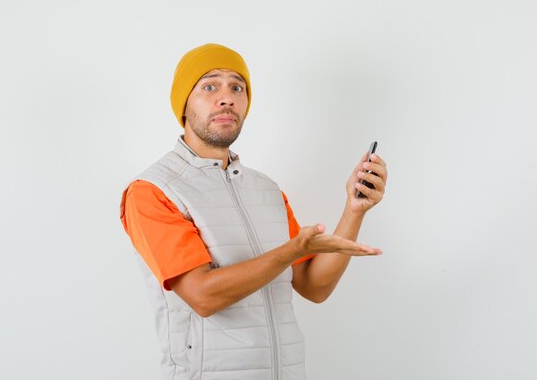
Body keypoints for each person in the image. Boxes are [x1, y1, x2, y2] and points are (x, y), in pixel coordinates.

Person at [119, 43, 388, 380]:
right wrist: (292, 249)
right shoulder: (153, 190)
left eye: (237, 87)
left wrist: (354, 210)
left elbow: (313, 287)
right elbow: (203, 296)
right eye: (210, 86)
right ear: (184, 104)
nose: (227, 97)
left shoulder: (266, 190)